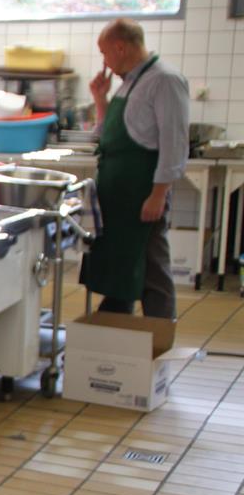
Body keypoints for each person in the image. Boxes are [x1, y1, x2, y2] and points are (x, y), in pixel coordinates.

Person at [81, 17, 189, 320]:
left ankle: (160, 333)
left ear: (120, 47)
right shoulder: (128, 83)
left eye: (104, 53)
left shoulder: (164, 80)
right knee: (121, 266)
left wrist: (158, 195)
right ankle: (117, 331)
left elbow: (174, 143)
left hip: (143, 192)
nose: (104, 62)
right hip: (117, 193)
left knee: (152, 267)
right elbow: (107, 134)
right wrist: (100, 99)